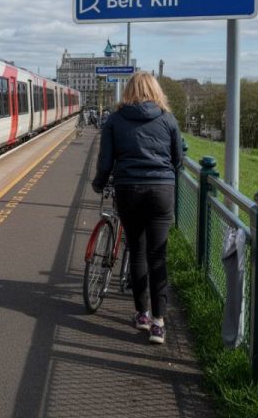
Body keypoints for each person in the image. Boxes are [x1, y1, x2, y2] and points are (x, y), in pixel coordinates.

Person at [91, 71, 182, 345]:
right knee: (158, 256)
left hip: (128, 189)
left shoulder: (115, 119)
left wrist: (99, 183)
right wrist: (164, 175)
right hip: (161, 191)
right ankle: (159, 324)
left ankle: (142, 314)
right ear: (156, 91)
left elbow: (106, 160)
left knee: (137, 251)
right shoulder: (168, 118)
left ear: (128, 91)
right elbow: (178, 158)